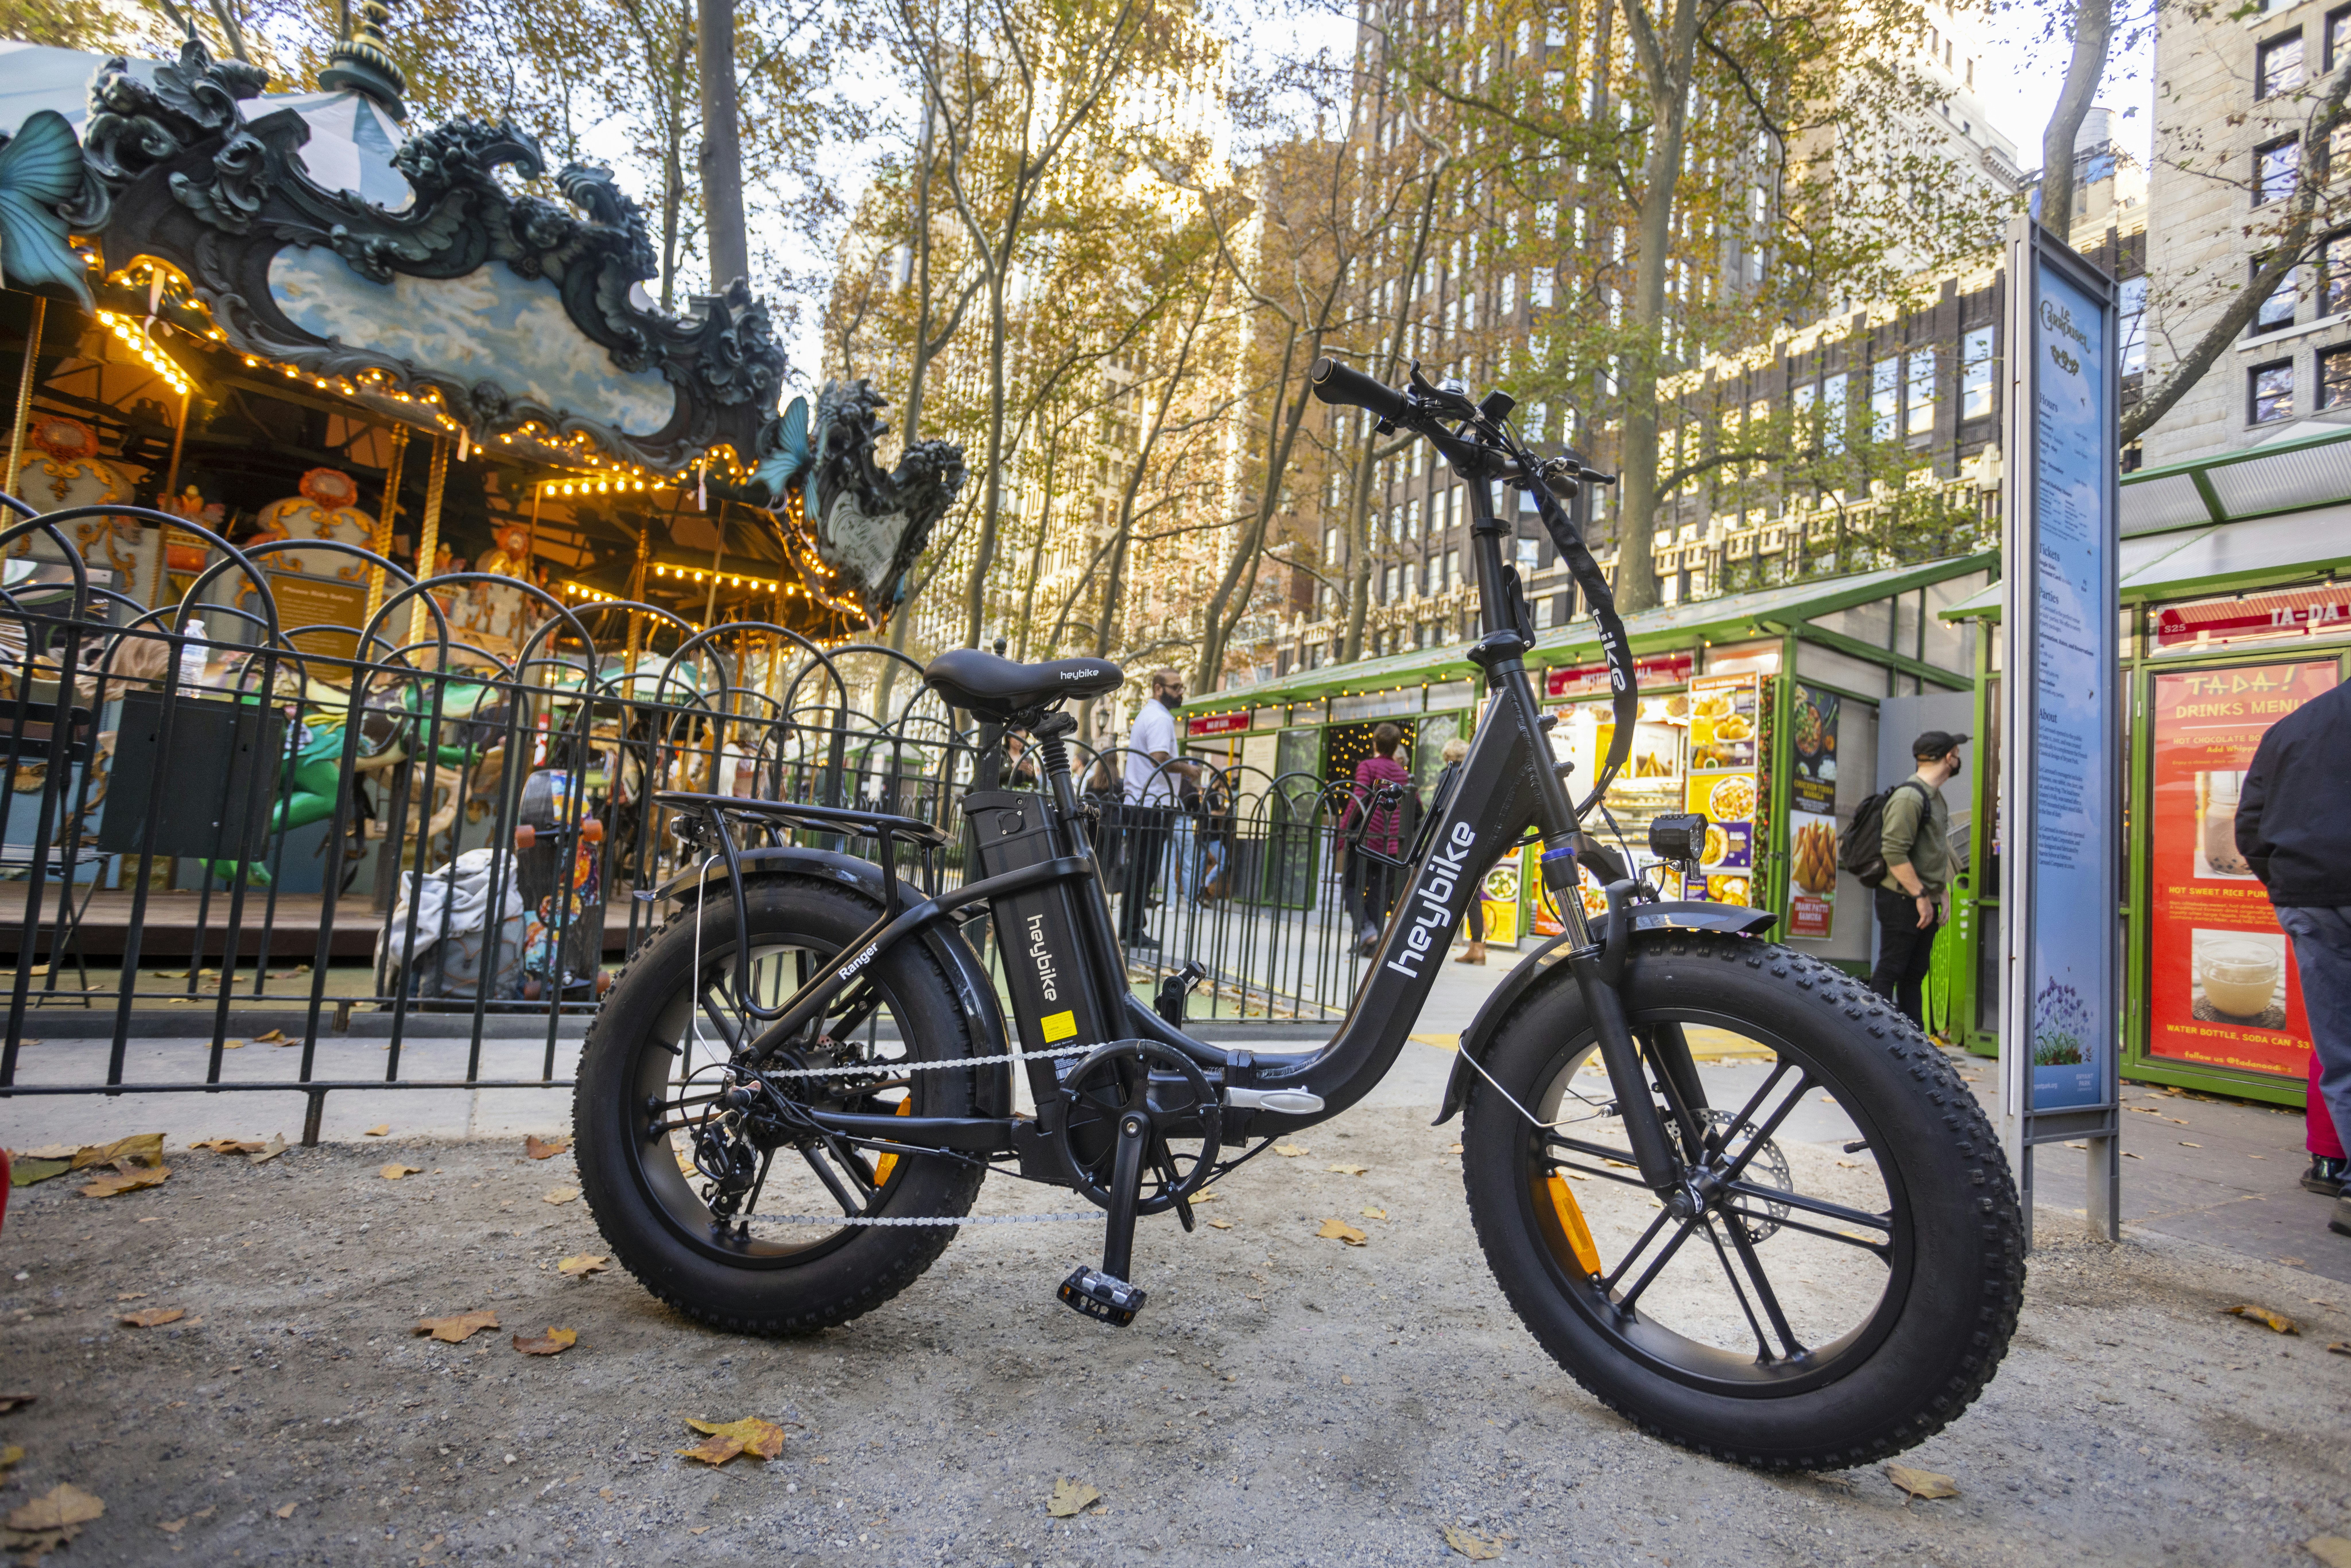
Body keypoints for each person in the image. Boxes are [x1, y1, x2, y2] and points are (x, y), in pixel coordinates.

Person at [2234, 677, 2351, 1239]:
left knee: (2341, 1052)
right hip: (2308, 896)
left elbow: (2249, 825)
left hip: (2311, 900)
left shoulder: (2292, 728)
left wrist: (2288, 887)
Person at [1870, 730, 1966, 1028]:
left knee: (1914, 976)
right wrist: (1922, 898)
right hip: (1901, 898)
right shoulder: (1909, 797)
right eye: (1957, 753)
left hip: (1924, 898)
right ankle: (1876, 1033)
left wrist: (1942, 893)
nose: (1958, 758)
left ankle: (1916, 1044)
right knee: (1890, 970)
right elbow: (1894, 852)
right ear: (1948, 757)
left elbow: (1934, 850)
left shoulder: (1934, 797)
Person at [1117, 669, 1199, 955]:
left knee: (1140, 867)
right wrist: (1189, 769)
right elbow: (1159, 760)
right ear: (1157, 689)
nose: (1180, 691)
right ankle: (1131, 930)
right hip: (1150, 803)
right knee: (1144, 869)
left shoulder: (1147, 715)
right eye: (1175, 687)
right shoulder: (1161, 718)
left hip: (1142, 802)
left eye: (1181, 686)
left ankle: (1131, 927)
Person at [1340, 723, 1413, 958]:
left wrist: (1344, 829)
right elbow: (1415, 807)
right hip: (1390, 842)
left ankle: (1368, 933)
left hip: (1366, 836)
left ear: (1375, 744)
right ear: (1395, 747)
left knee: (1351, 885)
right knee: (1380, 890)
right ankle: (1373, 941)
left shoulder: (1368, 766)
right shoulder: (1403, 774)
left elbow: (1358, 799)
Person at [1427, 737, 1490, 964]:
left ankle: (1433, 944)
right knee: (1473, 896)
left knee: (1441, 891)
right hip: (1476, 841)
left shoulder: (1449, 775)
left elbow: (1439, 810)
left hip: (1452, 843)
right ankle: (1478, 947)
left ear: (1448, 757)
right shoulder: (1479, 775)